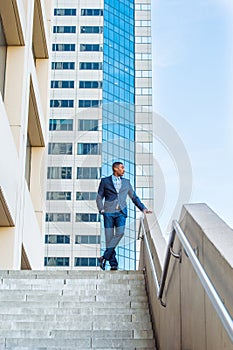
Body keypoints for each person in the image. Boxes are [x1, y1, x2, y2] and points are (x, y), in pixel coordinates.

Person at [96, 161, 152, 270]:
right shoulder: (105, 181)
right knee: (109, 238)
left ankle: (104, 257)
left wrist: (143, 208)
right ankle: (113, 264)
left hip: (121, 212)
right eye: (122, 168)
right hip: (108, 213)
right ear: (115, 169)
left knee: (120, 233)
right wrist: (101, 209)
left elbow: (134, 197)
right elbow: (99, 197)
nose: (124, 170)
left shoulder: (126, 182)